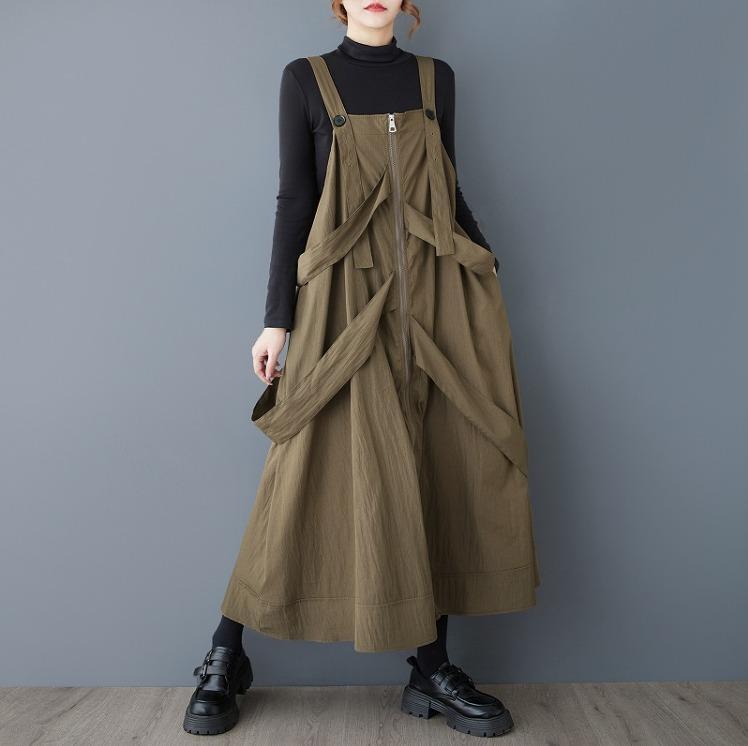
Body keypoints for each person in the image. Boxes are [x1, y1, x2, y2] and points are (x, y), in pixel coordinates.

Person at [183, 0, 540, 738]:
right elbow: (295, 199)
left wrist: (485, 270)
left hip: (441, 297)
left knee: (441, 459)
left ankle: (431, 668)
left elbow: (449, 188)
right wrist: (277, 318)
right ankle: (226, 651)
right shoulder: (306, 79)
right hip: (344, 302)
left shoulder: (437, 79)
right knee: (301, 468)